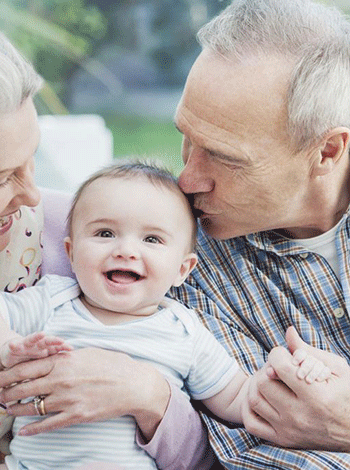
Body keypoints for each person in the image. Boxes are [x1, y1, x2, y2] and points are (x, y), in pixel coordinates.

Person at [0, 6, 212, 470]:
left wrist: (149, 396)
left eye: (31, 160)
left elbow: (214, 456)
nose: (31, 194)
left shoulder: (92, 239)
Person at [0, 162, 329, 470]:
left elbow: (239, 398)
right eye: (104, 233)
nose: (126, 250)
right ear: (71, 251)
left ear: (183, 269)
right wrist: (6, 346)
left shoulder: (184, 331)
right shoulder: (53, 302)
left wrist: (286, 374)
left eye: (152, 240)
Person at [168, 0, 350, 468]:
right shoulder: (179, 258)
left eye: (223, 157)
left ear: (326, 151)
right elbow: (267, 455)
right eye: (186, 139)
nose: (187, 180)